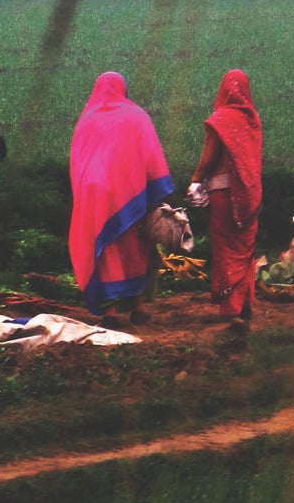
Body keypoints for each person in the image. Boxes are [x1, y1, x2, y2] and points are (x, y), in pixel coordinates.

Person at [69, 72, 173, 326]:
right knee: (136, 249)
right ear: (123, 90)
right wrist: (158, 192)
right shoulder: (137, 116)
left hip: (95, 195)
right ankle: (137, 307)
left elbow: (77, 161)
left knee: (107, 251)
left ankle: (111, 312)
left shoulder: (87, 119)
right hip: (130, 194)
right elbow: (151, 156)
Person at [188, 69, 261, 327]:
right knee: (244, 249)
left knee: (227, 249)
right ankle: (245, 302)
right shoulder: (252, 120)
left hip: (223, 194)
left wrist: (195, 179)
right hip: (249, 195)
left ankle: (231, 308)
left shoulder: (219, 120)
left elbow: (209, 157)